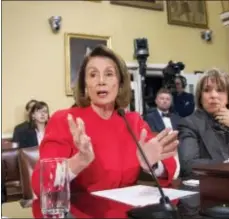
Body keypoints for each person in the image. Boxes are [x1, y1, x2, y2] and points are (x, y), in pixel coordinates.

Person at [31, 45, 179, 218]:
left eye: (109, 74)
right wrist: (80, 160)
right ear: (85, 84)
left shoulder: (132, 120)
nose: (101, 80)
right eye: (93, 75)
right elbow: (41, 185)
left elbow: (168, 166)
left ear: (120, 82)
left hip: (129, 213)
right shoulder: (66, 119)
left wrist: (152, 164)